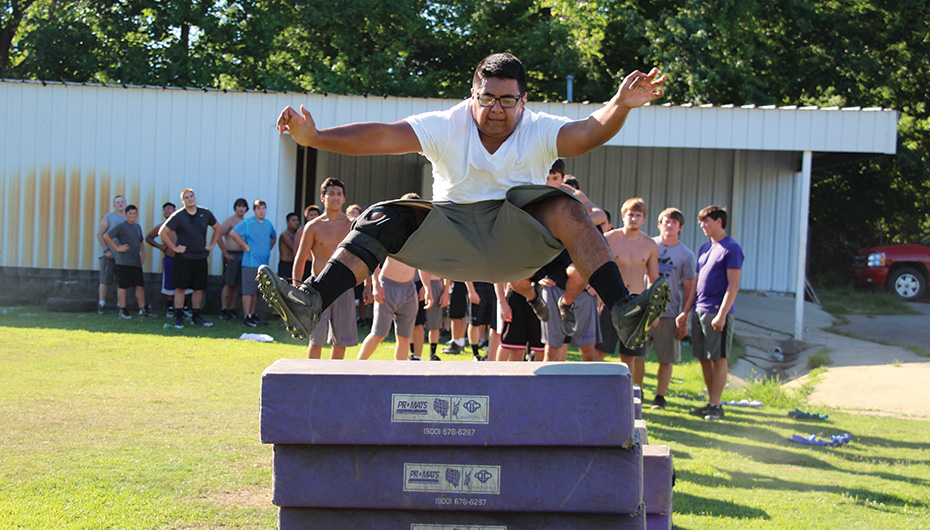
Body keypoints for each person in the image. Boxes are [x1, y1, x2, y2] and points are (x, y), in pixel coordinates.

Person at [258, 52, 670, 351]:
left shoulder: (539, 128)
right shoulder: (447, 124)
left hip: (515, 244)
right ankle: (311, 301)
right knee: (381, 215)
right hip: (450, 239)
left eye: (508, 101)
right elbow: (382, 136)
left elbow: (587, 133)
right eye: (487, 98)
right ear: (472, 95)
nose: (496, 109)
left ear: (523, 102)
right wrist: (316, 138)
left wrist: (619, 105)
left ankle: (624, 311)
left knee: (565, 206)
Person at [687, 206, 744, 421]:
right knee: (703, 358)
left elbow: (734, 285)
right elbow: (696, 283)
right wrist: (686, 311)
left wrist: (722, 314)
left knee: (718, 358)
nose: (702, 225)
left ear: (719, 221)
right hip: (699, 310)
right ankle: (710, 401)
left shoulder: (732, 248)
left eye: (706, 221)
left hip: (717, 312)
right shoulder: (705, 248)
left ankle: (716, 405)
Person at [291, 178, 359, 359]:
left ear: (344, 199)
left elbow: (362, 256)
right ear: (323, 197)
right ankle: (312, 378)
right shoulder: (313, 226)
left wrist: (368, 286)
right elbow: (300, 259)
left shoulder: (353, 225)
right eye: (331, 193)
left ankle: (333, 381)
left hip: (344, 287)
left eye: (339, 194)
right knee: (316, 339)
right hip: (318, 289)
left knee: (341, 341)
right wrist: (296, 290)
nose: (335, 197)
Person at [595, 198, 659, 387]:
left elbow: (654, 278)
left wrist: (654, 309)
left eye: (638, 215)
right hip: (611, 300)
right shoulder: (609, 239)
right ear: (623, 216)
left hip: (637, 303)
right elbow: (598, 269)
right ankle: (592, 389)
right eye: (630, 214)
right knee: (599, 351)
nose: (633, 218)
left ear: (644, 219)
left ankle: (628, 394)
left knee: (630, 355)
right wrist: (599, 296)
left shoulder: (649, 245)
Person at [647, 208, 696, 410]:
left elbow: (690, 286)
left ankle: (660, 396)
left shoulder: (686, 254)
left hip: (669, 311)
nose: (669, 225)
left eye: (674, 222)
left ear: (680, 227)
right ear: (659, 224)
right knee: (636, 355)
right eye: (666, 221)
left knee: (666, 358)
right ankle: (636, 391)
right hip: (645, 310)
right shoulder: (649, 245)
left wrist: (685, 313)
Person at [158, 188, 222, 328]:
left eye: (191, 196)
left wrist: (211, 244)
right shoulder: (178, 216)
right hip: (184, 257)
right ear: (183, 201)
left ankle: (196, 316)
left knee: (199, 289)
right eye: (186, 197)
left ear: (195, 197)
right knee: (180, 288)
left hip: (201, 257)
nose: (190, 199)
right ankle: (179, 317)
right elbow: (162, 232)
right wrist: (174, 248)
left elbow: (218, 228)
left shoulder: (205, 213)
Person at [356, 256, 419, 360]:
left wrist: (427, 288)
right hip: (387, 286)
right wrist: (375, 285)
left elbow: (423, 263)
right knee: (378, 334)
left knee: (405, 337)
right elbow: (374, 260)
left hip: (409, 288)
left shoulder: (416, 241)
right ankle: (357, 368)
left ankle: (400, 374)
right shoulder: (391, 239)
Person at [227, 200, 277, 327]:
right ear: (254, 210)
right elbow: (233, 233)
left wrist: (268, 249)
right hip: (250, 262)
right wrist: (244, 245)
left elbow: (273, 236)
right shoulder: (248, 223)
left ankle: (253, 314)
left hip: (263, 264)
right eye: (259, 209)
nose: (261, 211)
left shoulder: (268, 224)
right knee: (248, 291)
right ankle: (246, 316)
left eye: (263, 208)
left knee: (256, 291)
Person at [103, 204, 153, 318]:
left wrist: (143, 254)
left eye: (134, 213)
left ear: (137, 214)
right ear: (126, 215)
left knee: (140, 285)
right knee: (123, 285)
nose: (132, 215)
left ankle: (142, 309)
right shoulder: (121, 226)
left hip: (136, 261)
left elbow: (141, 242)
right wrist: (117, 248)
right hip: (123, 261)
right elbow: (106, 236)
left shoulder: (137, 226)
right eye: (130, 213)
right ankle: (122, 309)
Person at [495, 282, 545, 362]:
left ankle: (538, 375)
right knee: (513, 346)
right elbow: (497, 276)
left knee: (541, 349)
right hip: (516, 293)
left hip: (540, 294)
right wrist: (502, 302)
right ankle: (498, 374)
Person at [217, 198, 248, 320]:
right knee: (228, 283)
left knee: (236, 284)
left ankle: (231, 308)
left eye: (243, 206)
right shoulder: (229, 221)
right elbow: (218, 236)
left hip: (242, 255)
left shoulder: (246, 222)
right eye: (239, 206)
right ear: (235, 208)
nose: (241, 209)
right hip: (231, 255)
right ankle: (223, 308)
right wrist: (225, 253)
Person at [96, 195, 127, 314]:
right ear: (114, 205)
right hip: (108, 255)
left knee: (121, 281)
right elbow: (100, 234)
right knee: (105, 280)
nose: (120, 204)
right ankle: (102, 304)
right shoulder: (108, 217)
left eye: (122, 202)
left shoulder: (128, 218)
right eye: (117, 202)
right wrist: (106, 250)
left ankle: (120, 305)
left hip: (122, 256)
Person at [278, 212, 300, 280]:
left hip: (293, 264)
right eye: (293, 220)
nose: (296, 222)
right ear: (287, 223)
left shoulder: (296, 234)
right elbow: (294, 248)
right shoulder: (285, 235)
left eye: (297, 220)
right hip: (286, 265)